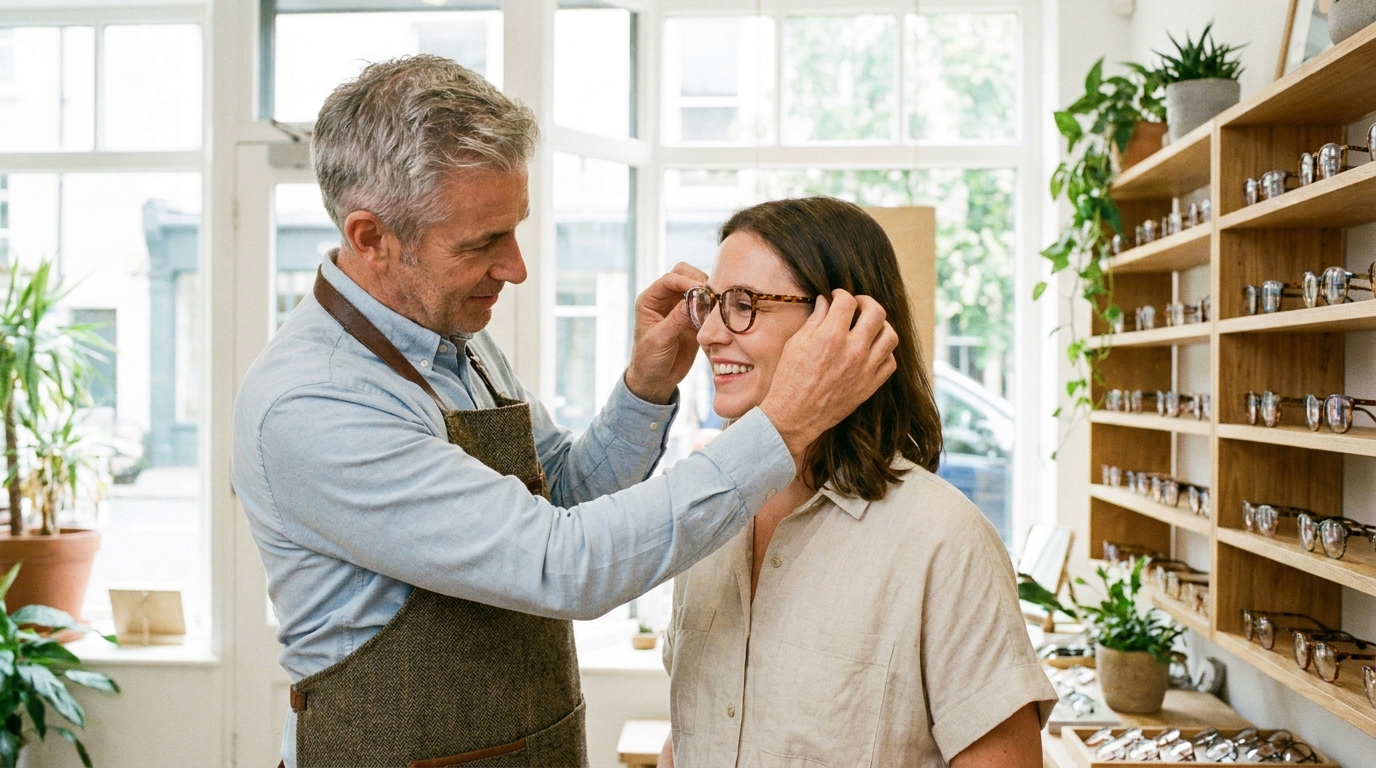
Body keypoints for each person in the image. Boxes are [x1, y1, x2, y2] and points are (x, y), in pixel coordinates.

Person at [231, 57, 899, 768]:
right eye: (483, 242)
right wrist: (783, 428)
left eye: (513, 229)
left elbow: (562, 498)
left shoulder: (455, 338)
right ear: (371, 238)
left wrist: (644, 387)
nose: (516, 267)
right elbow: (562, 565)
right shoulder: (314, 403)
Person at [659, 198, 1056, 768]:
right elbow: (690, 735)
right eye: (712, 305)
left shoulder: (944, 542)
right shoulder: (708, 518)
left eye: (744, 305)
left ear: (845, 327)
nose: (710, 335)